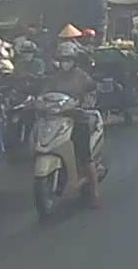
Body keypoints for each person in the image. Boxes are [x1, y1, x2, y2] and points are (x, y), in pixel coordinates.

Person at [43, 42, 101, 207]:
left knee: (84, 155)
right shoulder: (55, 78)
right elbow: (45, 92)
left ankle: (95, 192)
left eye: (68, 59)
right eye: (62, 60)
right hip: (57, 118)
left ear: (74, 60)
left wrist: (86, 103)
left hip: (78, 119)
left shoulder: (81, 76)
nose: (65, 63)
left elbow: (91, 91)